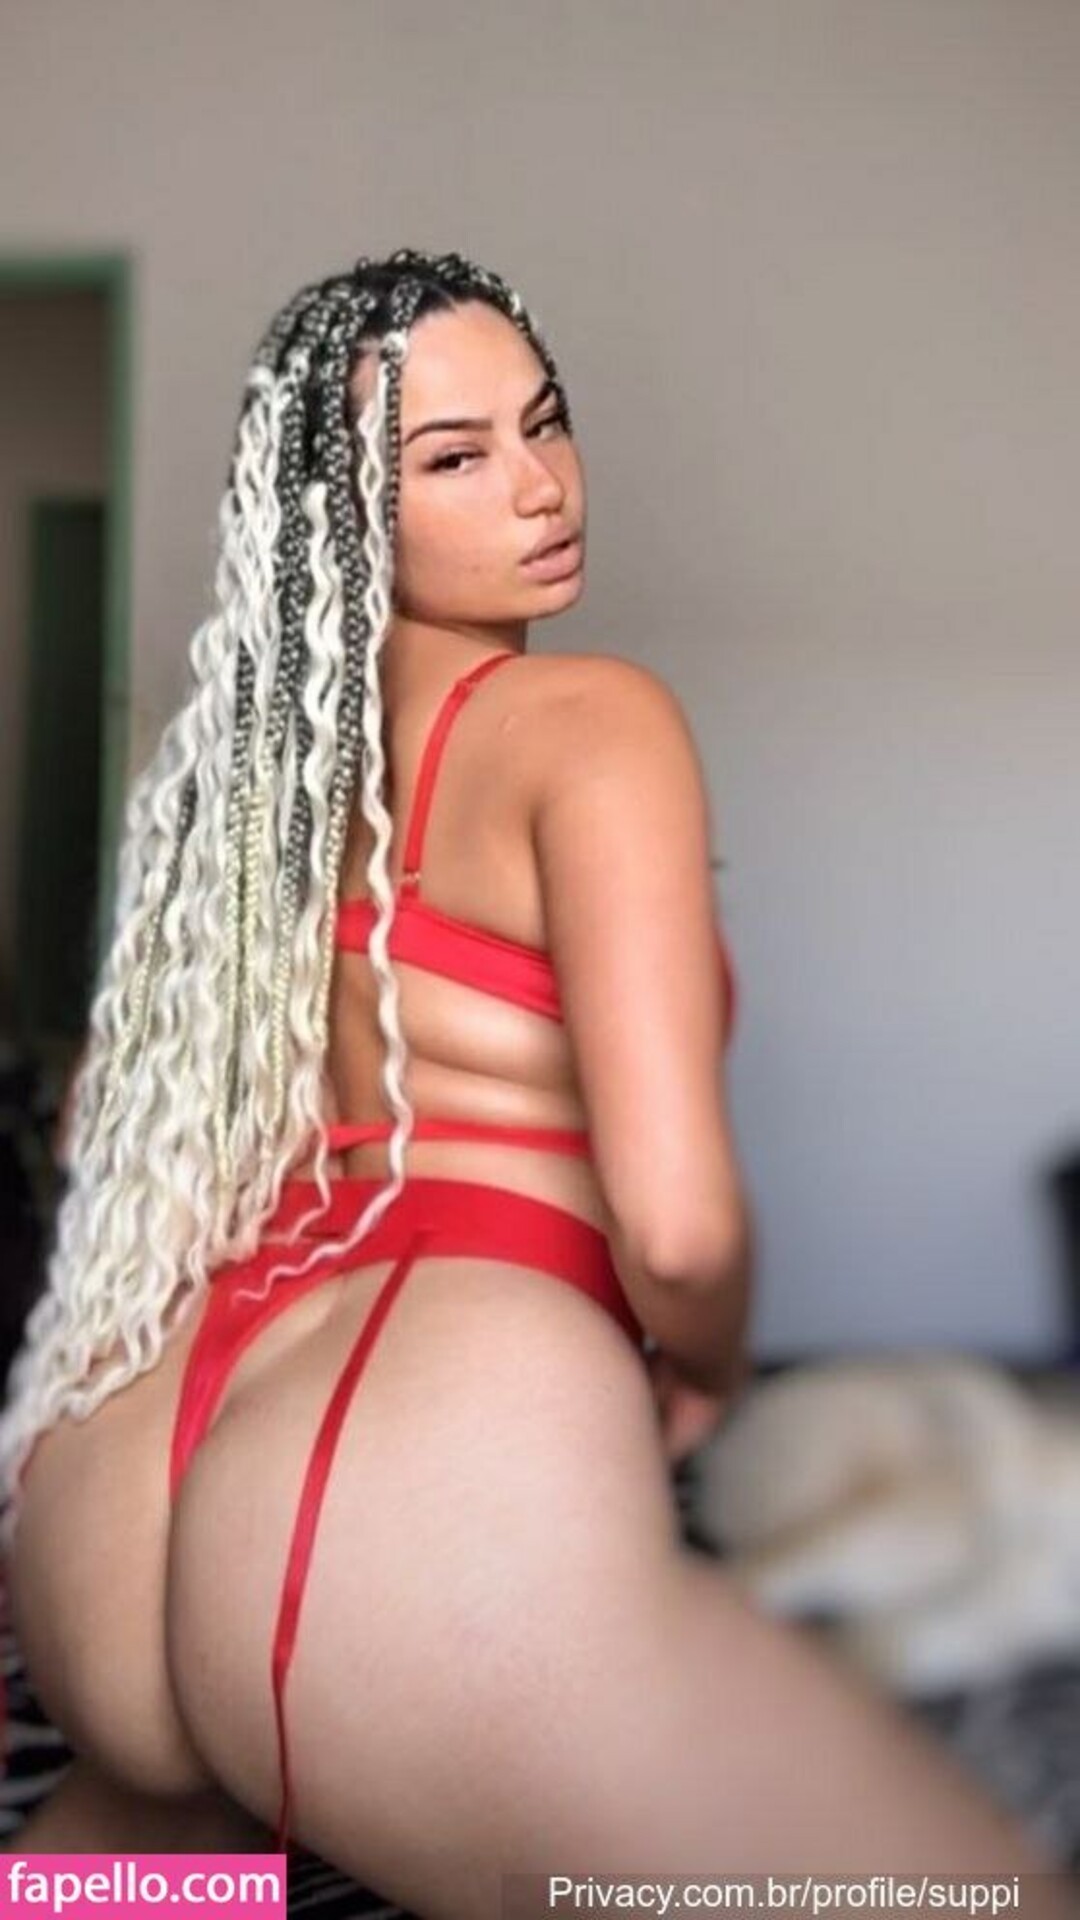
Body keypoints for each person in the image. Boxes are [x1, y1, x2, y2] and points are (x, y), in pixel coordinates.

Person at [0, 250, 1070, 1917]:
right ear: (349, 517)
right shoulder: (591, 721)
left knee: (130, 1878)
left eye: (545, 422)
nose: (540, 484)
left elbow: (103, 1138)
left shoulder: (249, 791)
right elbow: (679, 1224)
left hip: (119, 1490)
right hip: (390, 1499)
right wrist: (705, 1364)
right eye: (454, 456)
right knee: (960, 1897)